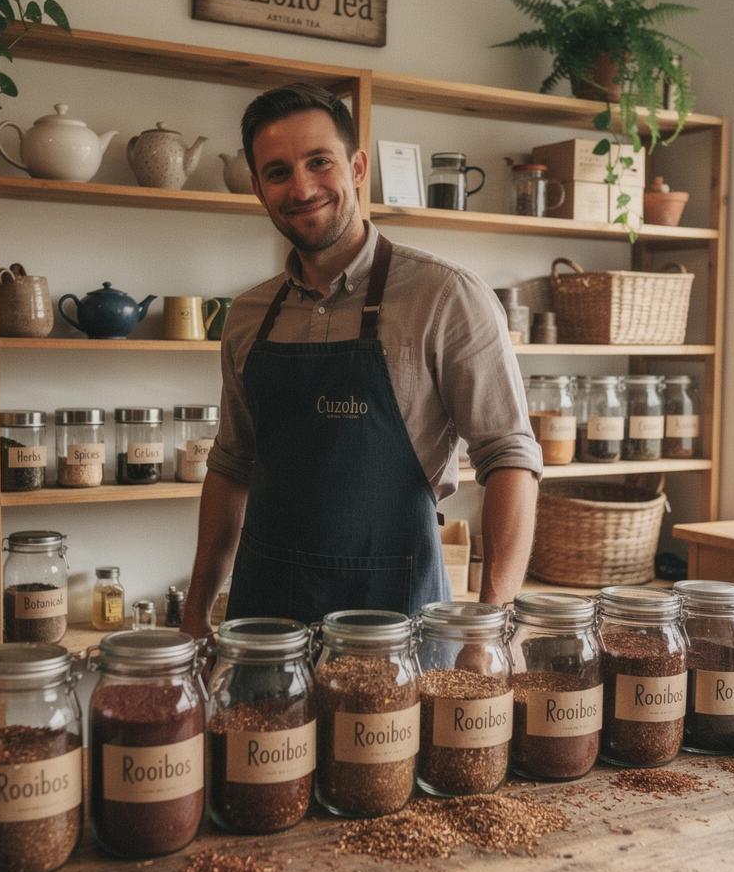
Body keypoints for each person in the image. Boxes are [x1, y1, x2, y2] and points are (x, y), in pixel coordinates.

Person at [181, 82, 541, 636]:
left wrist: (493, 624)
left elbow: (510, 456)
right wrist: (195, 614)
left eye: (318, 162)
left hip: (398, 626)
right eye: (278, 172)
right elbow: (231, 466)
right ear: (257, 188)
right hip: (263, 626)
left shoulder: (445, 296)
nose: (301, 187)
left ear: (357, 167)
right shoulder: (249, 314)